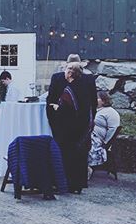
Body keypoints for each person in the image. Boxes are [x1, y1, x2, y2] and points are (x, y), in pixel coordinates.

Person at [48, 62, 91, 193]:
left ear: (71, 73)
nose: (64, 73)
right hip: (81, 126)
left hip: (68, 128)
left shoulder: (69, 89)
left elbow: (66, 108)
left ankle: (65, 184)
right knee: (79, 156)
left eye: (66, 70)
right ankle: (78, 185)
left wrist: (56, 108)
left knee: (66, 155)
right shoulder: (83, 86)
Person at [88, 91, 121, 169]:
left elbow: (113, 128)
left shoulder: (111, 112)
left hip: (98, 138)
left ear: (104, 100)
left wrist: (106, 141)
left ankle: (87, 167)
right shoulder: (96, 110)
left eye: (97, 98)